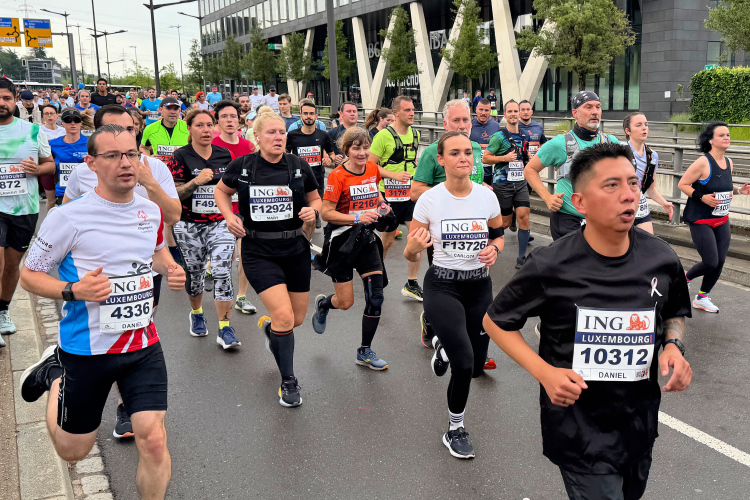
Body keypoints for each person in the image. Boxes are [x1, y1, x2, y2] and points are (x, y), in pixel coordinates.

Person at [484, 142, 693, 499]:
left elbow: (674, 310)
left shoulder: (661, 257)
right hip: (579, 430)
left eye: (632, 183)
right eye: (611, 185)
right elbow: (495, 321)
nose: (628, 194)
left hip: (638, 424)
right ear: (579, 202)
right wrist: (545, 373)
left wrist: (673, 346)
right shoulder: (551, 264)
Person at [19, 124, 186, 500]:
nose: (125, 163)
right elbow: (28, 276)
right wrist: (73, 290)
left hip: (142, 343)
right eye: (113, 155)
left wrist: (170, 268)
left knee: (154, 440)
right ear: (91, 163)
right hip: (87, 349)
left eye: (131, 154)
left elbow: (156, 254)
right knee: (73, 450)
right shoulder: (68, 217)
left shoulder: (150, 211)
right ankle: (54, 373)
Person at [63, 104, 181, 441]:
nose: (123, 138)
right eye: (113, 131)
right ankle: (118, 400)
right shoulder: (83, 172)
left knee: (134, 328)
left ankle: (129, 402)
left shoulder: (154, 168)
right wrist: (73, 280)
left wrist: (149, 182)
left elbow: (173, 215)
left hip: (143, 270)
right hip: (97, 278)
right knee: (109, 335)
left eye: (129, 130)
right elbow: (64, 218)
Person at [406, 131, 503, 459]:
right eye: (455, 153)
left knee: (475, 366)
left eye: (468, 152)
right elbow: (409, 252)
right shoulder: (429, 200)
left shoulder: (487, 197)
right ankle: (455, 429)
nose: (464, 158)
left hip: (479, 286)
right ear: (441, 159)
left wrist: (494, 249)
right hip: (443, 285)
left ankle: (443, 347)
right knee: (463, 364)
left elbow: (498, 236)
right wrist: (414, 247)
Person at [215, 112, 321, 407]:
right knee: (284, 317)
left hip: (295, 249)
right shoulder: (243, 166)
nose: (278, 137)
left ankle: (270, 328)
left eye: (282, 132)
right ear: (257, 137)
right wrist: (229, 216)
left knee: (295, 319)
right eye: (271, 132)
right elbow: (221, 191)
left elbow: (316, 198)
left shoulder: (298, 166)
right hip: (258, 250)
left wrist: (313, 210)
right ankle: (288, 381)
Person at [310, 126, 391, 370]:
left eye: (366, 147)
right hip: (342, 243)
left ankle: (364, 350)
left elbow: (375, 194)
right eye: (356, 148)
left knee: (376, 297)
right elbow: (326, 213)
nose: (362, 152)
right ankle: (324, 304)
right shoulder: (338, 176)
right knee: (346, 302)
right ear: (346, 150)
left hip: (366, 240)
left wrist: (383, 205)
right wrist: (357, 218)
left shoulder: (373, 169)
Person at [167, 109, 239, 348]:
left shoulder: (224, 154)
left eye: (210, 125)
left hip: (220, 223)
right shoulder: (181, 156)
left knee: (222, 271)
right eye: (200, 125)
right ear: (189, 129)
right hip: (189, 225)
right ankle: (197, 313)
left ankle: (225, 327)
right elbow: (174, 193)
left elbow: (231, 187)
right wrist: (196, 181)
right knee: (195, 275)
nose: (206, 130)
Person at [0, 78, 55, 340]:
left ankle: (3, 310)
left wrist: (38, 169)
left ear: (15, 101)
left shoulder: (32, 131)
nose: (1, 103)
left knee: (12, 266)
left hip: (25, 208)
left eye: (6, 98)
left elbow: (50, 165)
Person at [524, 91, 619, 240]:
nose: (595, 112)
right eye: (588, 107)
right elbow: (530, 170)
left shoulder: (611, 142)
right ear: (575, 113)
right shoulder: (560, 143)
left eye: (598, 107)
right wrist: (547, 198)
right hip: (568, 220)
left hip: (600, 219)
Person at [678, 122, 750, 313]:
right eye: (721, 135)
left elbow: (724, 187)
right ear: (711, 140)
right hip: (701, 218)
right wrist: (702, 197)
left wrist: (739, 191)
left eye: (728, 135)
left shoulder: (729, 162)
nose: (727, 138)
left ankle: (702, 298)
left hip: (721, 219)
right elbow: (683, 184)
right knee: (710, 261)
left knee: (720, 261)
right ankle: (683, 280)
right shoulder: (703, 162)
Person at [370, 96, 422, 300]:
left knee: (417, 236)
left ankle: (412, 283)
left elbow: (412, 161)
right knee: (388, 240)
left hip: (410, 196)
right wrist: (394, 175)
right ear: (396, 113)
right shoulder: (383, 136)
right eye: (407, 110)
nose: (412, 113)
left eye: (413, 110)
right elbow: (370, 166)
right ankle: (375, 274)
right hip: (389, 196)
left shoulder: (416, 134)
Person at [210, 100, 256, 315]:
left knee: (244, 253)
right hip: (219, 209)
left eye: (233, 116)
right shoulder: (211, 144)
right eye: (224, 117)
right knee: (226, 256)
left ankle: (241, 297)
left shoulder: (248, 147)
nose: (229, 120)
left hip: (245, 208)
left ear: (240, 120)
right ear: (217, 121)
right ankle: (219, 287)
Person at [482, 100, 533, 269]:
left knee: (524, 216)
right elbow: (486, 158)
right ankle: (486, 247)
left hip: (520, 183)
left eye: (515, 111)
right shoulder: (499, 136)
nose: (513, 114)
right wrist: (504, 158)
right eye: (509, 111)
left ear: (519, 113)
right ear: (504, 115)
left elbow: (523, 157)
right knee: (503, 223)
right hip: (502, 184)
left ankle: (521, 258)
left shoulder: (524, 135)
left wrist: (528, 159)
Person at [623, 113, 674, 234]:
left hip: (640, 207)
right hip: (622, 206)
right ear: (628, 131)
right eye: (638, 125)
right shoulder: (621, 150)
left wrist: (663, 203)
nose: (644, 128)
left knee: (649, 242)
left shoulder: (652, 156)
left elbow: (651, 188)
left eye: (646, 124)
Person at [50, 108, 87, 206]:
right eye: (68, 120)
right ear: (62, 123)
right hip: (63, 192)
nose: (73, 123)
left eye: (76, 120)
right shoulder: (53, 144)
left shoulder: (90, 143)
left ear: (81, 123)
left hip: (85, 191)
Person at [140, 97, 189, 162]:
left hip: (182, 168)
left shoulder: (188, 128)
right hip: (159, 167)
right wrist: (149, 159)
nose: (173, 112)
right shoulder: (150, 129)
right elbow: (143, 148)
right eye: (168, 108)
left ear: (179, 110)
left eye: (175, 109)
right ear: (161, 109)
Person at [469, 98, 500, 185]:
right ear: (476, 110)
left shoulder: (495, 126)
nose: (483, 113)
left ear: (490, 111)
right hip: (473, 172)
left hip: (490, 172)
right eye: (481, 110)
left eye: (486, 110)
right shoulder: (469, 125)